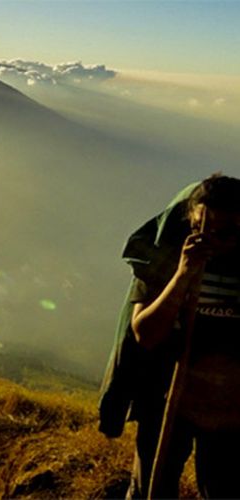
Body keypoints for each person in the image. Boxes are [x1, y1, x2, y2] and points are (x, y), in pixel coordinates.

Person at [99, 174, 240, 498]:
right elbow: (145, 334)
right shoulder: (166, 256)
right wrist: (183, 274)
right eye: (211, 231)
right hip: (165, 395)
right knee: (152, 486)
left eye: (233, 231)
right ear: (192, 223)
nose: (223, 241)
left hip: (228, 405)